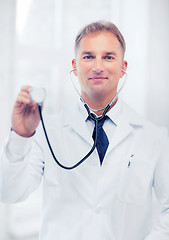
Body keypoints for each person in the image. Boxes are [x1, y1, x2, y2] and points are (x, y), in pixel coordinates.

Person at [0, 21, 169, 240]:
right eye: (88, 56)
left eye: (108, 57)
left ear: (123, 67)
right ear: (75, 65)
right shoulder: (47, 130)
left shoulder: (154, 137)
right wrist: (21, 136)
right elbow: (9, 192)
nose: (98, 66)